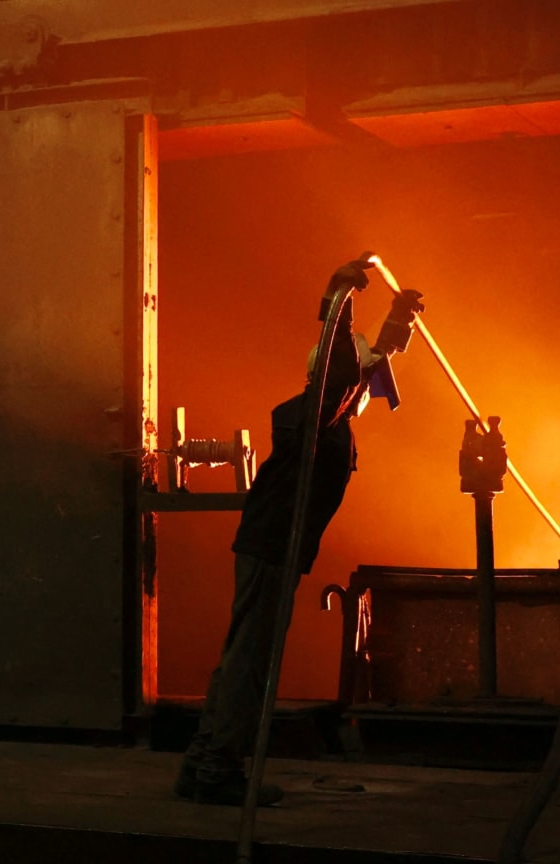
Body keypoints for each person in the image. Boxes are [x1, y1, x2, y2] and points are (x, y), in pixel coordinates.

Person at [174, 260, 424, 806]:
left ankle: (201, 764)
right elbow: (345, 372)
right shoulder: (319, 415)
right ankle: (217, 770)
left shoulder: (328, 414)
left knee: (242, 655)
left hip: (269, 546)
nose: (366, 389)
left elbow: (362, 370)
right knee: (251, 662)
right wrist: (339, 301)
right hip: (272, 547)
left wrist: (397, 322)